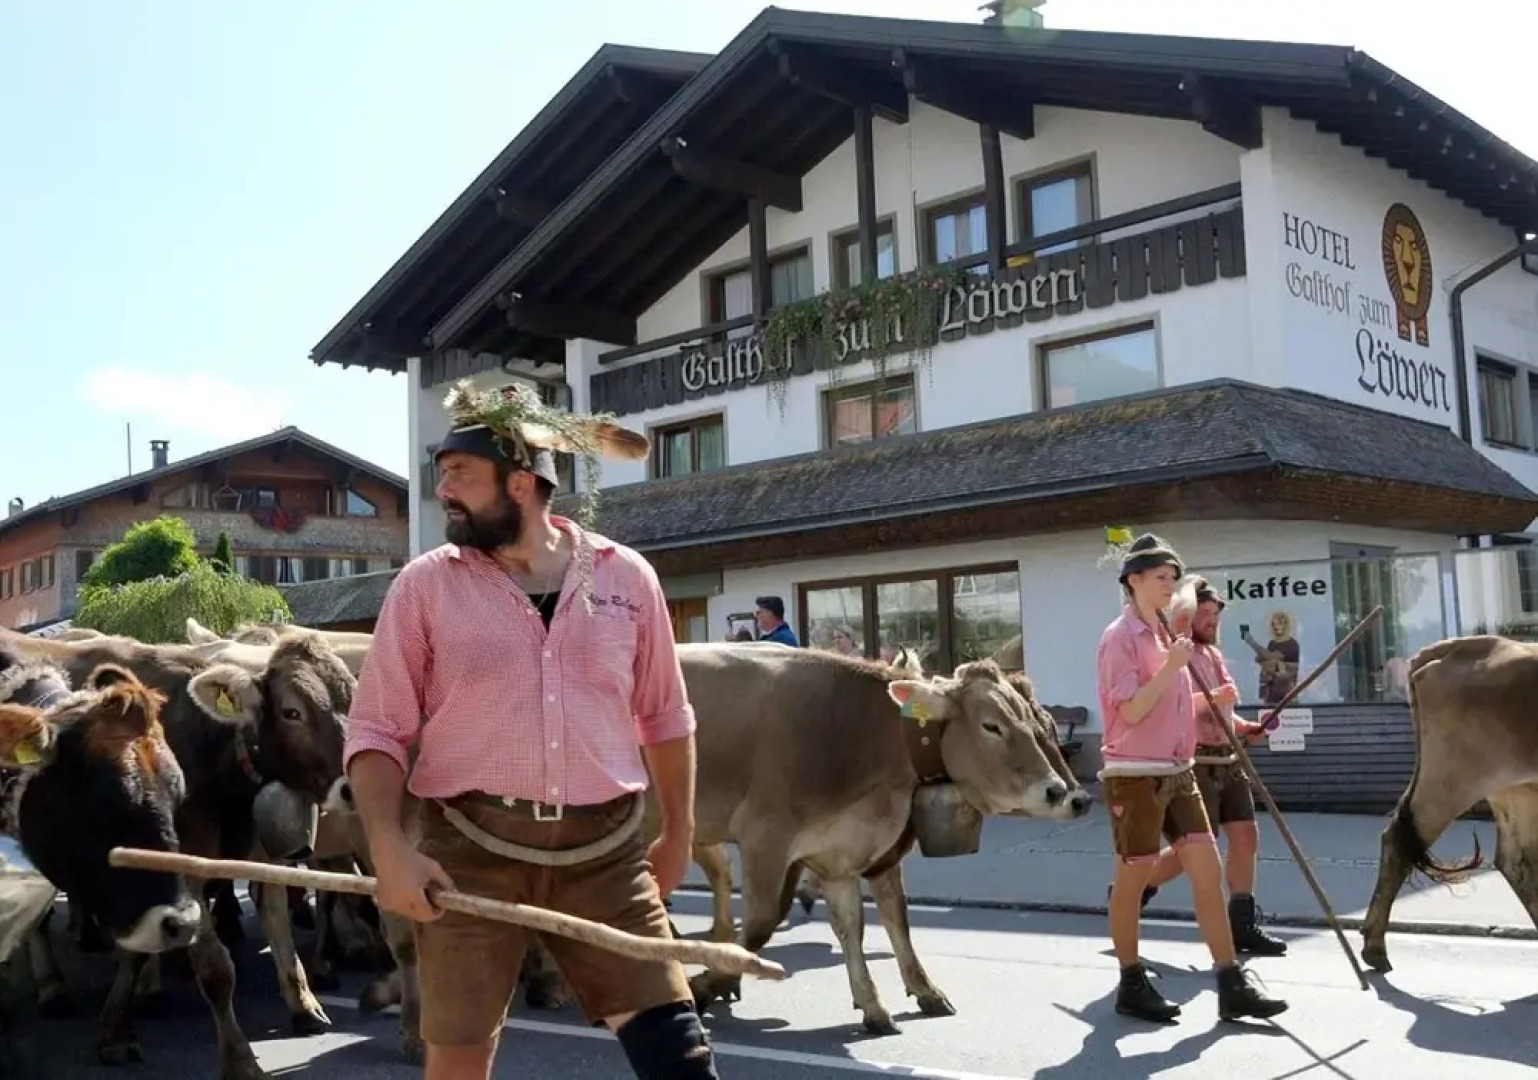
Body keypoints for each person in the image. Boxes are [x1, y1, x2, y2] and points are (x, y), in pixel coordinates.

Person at [343, 382, 721, 1080]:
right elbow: (376, 729)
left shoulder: (625, 577)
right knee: (458, 1060)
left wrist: (680, 833)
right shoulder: (425, 587)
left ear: (521, 484)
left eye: (461, 474)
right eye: (442, 473)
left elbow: (665, 714)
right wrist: (388, 847)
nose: (443, 491)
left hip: (604, 853)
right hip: (469, 851)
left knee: (681, 1056)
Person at [1096, 532, 1287, 1024]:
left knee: (1206, 869)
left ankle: (1230, 981)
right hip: (1134, 775)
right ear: (1133, 581)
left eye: (1173, 577)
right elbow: (1132, 710)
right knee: (1131, 879)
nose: (1170, 585)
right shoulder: (1120, 638)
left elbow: (1184, 702)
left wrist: (1240, 727)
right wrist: (1169, 669)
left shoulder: (1167, 637)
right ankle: (1131, 980)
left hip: (1179, 772)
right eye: (1161, 577)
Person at [1141, 576, 1288, 957]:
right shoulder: (1176, 652)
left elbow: (1224, 709)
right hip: (1196, 762)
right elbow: (1167, 708)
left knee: (1246, 838)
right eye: (1203, 613)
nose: (1211, 620)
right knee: (1191, 851)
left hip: (1228, 759)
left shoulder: (1215, 656)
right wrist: (1190, 583)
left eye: (1214, 614)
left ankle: (1242, 925)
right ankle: (1137, 884)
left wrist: (1245, 727)